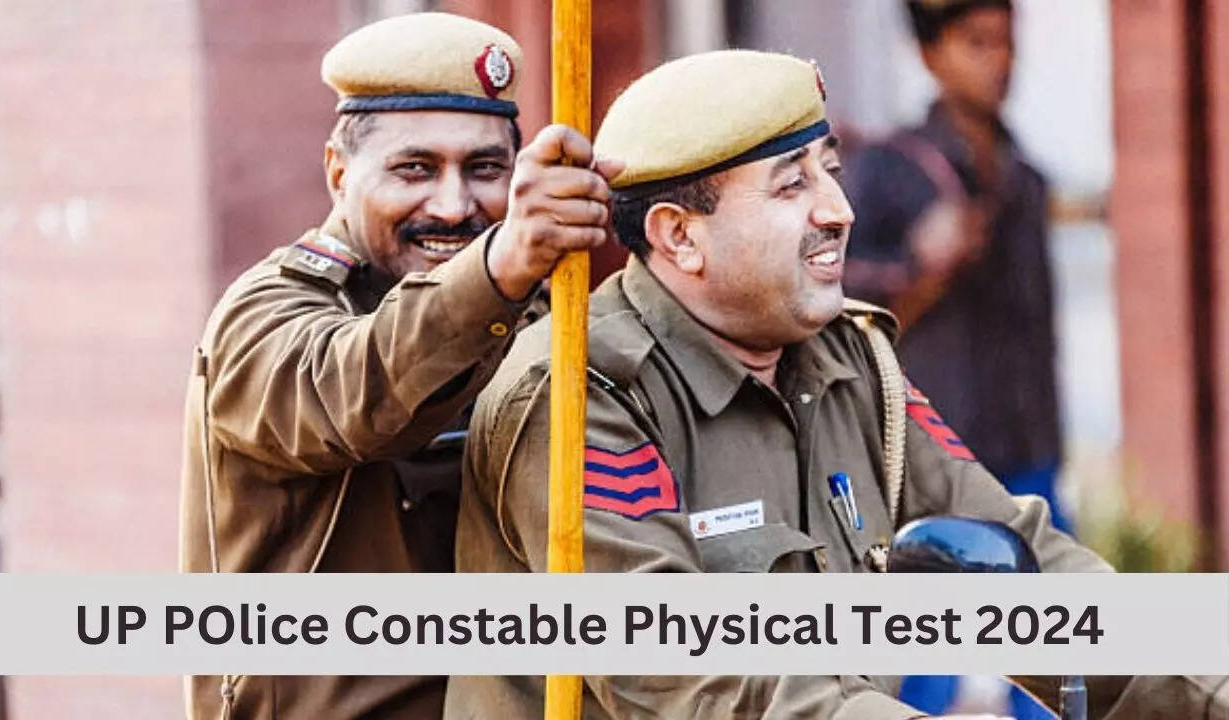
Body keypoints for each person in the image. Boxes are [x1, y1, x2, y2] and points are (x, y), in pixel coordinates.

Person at [447, 49, 1229, 718]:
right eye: (792, 185)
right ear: (679, 236)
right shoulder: (581, 391)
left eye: (831, 171)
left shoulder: (849, 362)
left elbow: (1029, 566)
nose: (840, 210)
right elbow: (690, 673)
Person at [178, 12, 619, 719]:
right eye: (414, 169)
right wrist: (500, 270)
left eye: (485, 170)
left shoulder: (536, 309)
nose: (452, 206)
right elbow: (352, 396)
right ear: (338, 173)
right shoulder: (264, 315)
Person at [843, 0, 1069, 533]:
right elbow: (836, 306)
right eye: (977, 43)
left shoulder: (1027, 180)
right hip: (937, 465)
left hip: (1032, 457)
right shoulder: (889, 169)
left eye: (1006, 41)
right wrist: (920, 267)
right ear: (930, 54)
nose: (1000, 60)